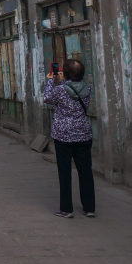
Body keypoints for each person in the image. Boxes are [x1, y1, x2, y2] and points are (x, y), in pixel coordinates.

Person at [42, 59, 95, 219]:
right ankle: (89, 208)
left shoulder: (61, 90)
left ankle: (66, 209)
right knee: (85, 170)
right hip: (83, 134)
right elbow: (73, 88)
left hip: (63, 135)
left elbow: (46, 98)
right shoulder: (87, 88)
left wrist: (51, 81)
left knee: (65, 171)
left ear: (65, 74)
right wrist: (63, 80)